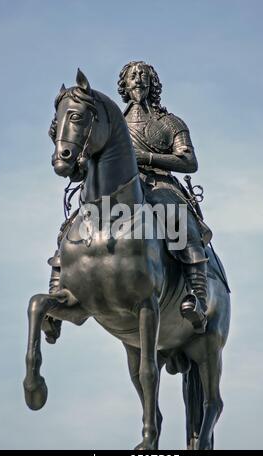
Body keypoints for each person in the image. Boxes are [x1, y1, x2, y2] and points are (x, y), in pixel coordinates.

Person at [43, 61, 211, 343]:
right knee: (71, 225)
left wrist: (144, 158)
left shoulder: (170, 123)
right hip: (116, 187)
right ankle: (56, 293)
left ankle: (198, 298)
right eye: (132, 77)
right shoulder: (110, 120)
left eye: (143, 77)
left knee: (179, 220)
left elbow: (188, 161)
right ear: (124, 84)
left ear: (152, 84)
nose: (138, 81)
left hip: (158, 184)